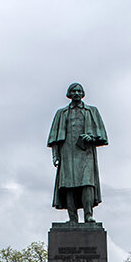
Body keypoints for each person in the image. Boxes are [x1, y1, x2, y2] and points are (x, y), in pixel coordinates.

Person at [48, 83, 108, 223]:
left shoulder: (91, 111)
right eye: (73, 91)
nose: (76, 93)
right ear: (69, 94)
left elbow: (102, 136)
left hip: (86, 152)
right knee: (69, 185)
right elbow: (55, 138)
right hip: (67, 153)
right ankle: (72, 218)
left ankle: (88, 215)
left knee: (87, 183)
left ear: (83, 93)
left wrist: (92, 138)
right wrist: (55, 155)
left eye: (79, 91)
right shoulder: (62, 113)